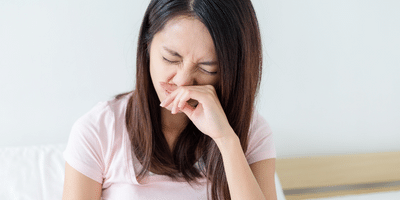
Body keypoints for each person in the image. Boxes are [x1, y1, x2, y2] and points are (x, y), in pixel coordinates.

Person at [62, 0, 277, 199]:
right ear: (147, 46)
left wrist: (226, 141)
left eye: (207, 68)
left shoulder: (252, 134)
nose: (182, 81)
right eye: (170, 58)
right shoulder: (98, 131)